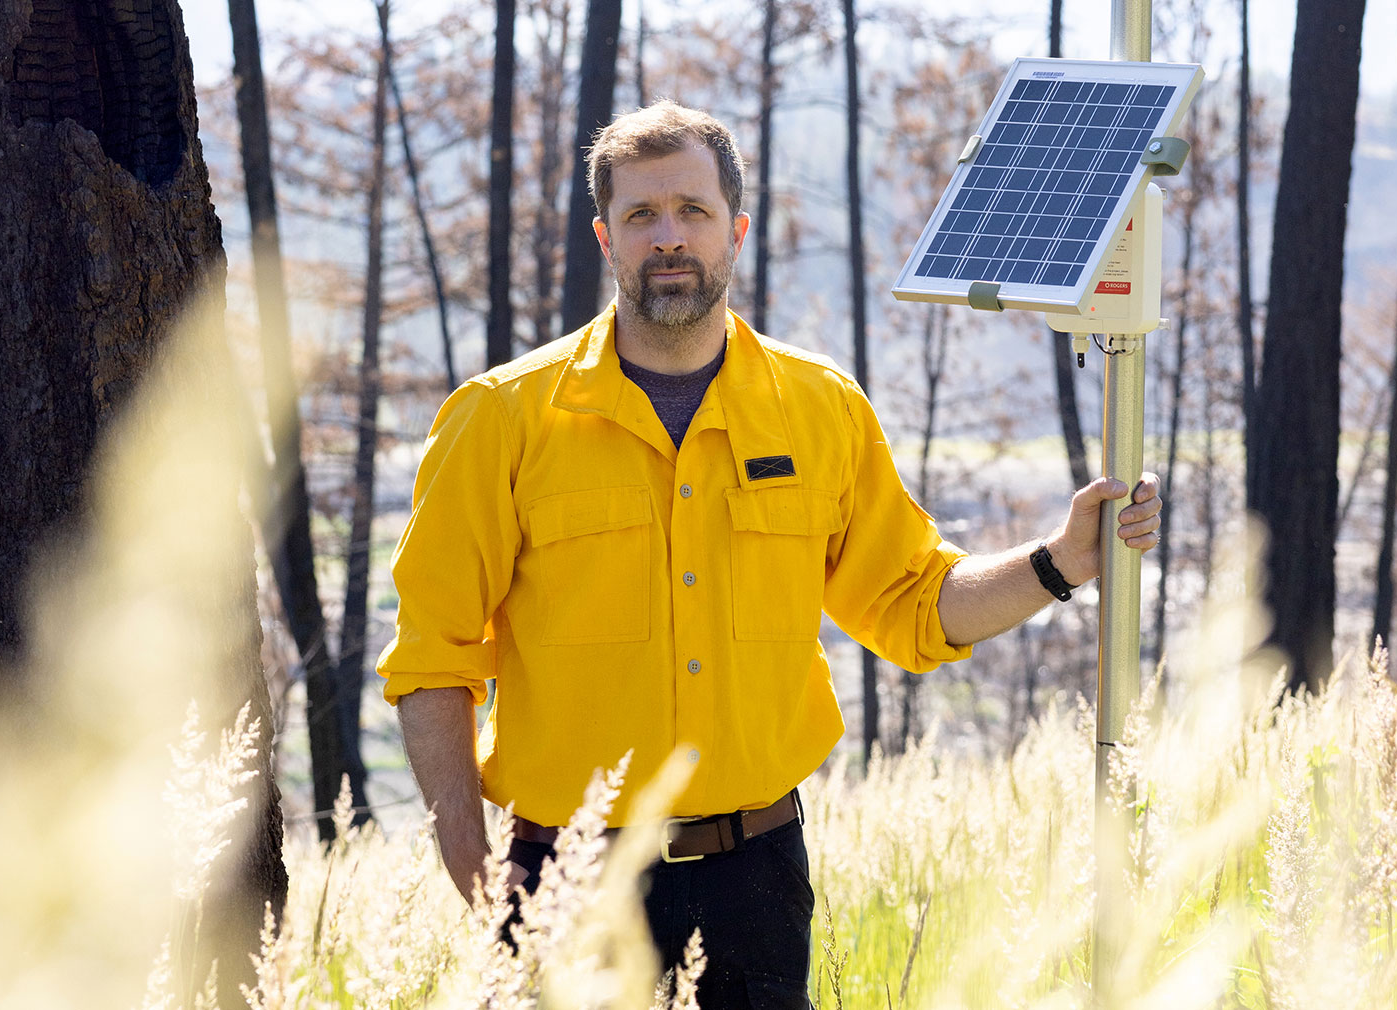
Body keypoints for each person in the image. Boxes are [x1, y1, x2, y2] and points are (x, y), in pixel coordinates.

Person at [376, 100, 1162, 1009]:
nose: (669, 238)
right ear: (606, 238)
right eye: (641, 217)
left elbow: (915, 604)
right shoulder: (502, 418)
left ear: (736, 229)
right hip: (567, 878)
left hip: (754, 882)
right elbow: (433, 658)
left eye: (693, 212)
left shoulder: (819, 407)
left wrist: (1058, 562)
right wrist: (482, 884)